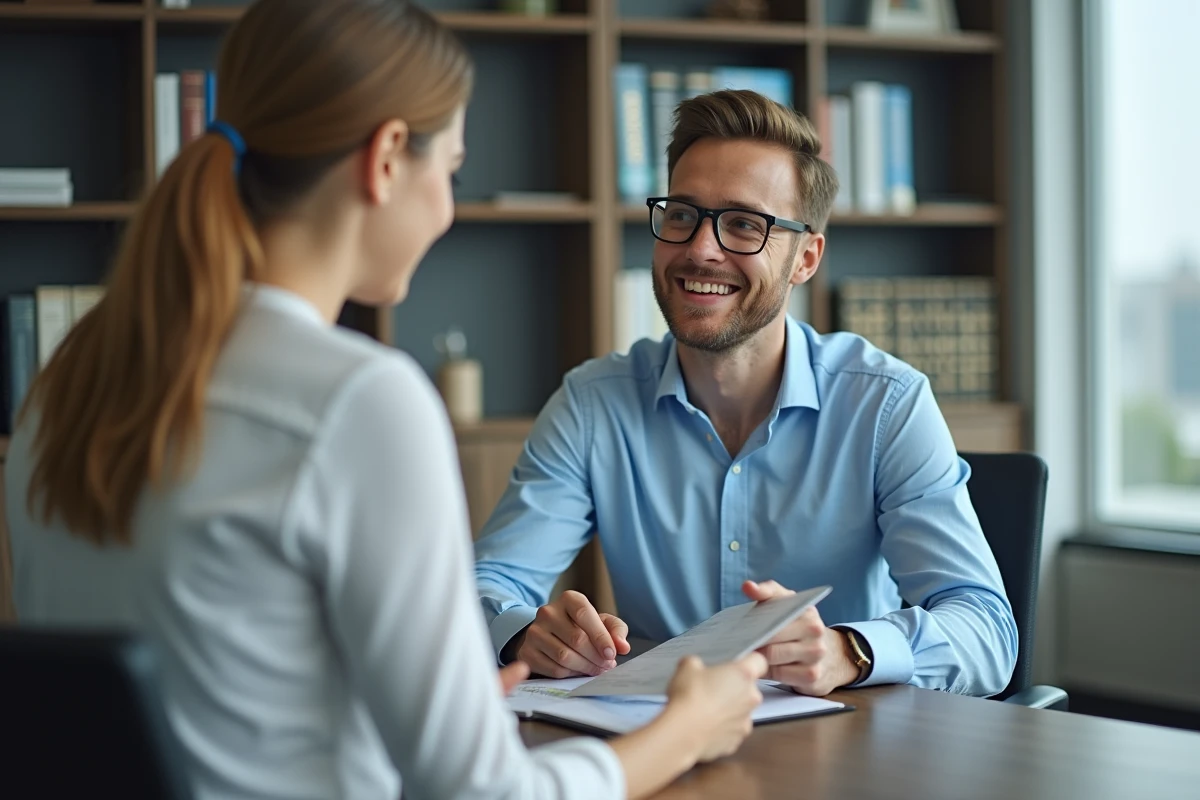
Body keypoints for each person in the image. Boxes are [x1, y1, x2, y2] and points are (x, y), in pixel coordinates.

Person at [4, 2, 769, 798]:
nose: (446, 207)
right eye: (453, 173)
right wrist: (684, 730)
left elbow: (220, 704)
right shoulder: (359, 402)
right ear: (389, 157)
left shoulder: (68, 377)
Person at [475, 89, 1018, 698]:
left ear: (805, 258)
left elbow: (985, 630)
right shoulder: (591, 404)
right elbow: (487, 585)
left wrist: (852, 650)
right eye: (681, 214)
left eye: (744, 224)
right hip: (662, 746)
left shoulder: (886, 404)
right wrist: (525, 634)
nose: (700, 250)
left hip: (843, 751)